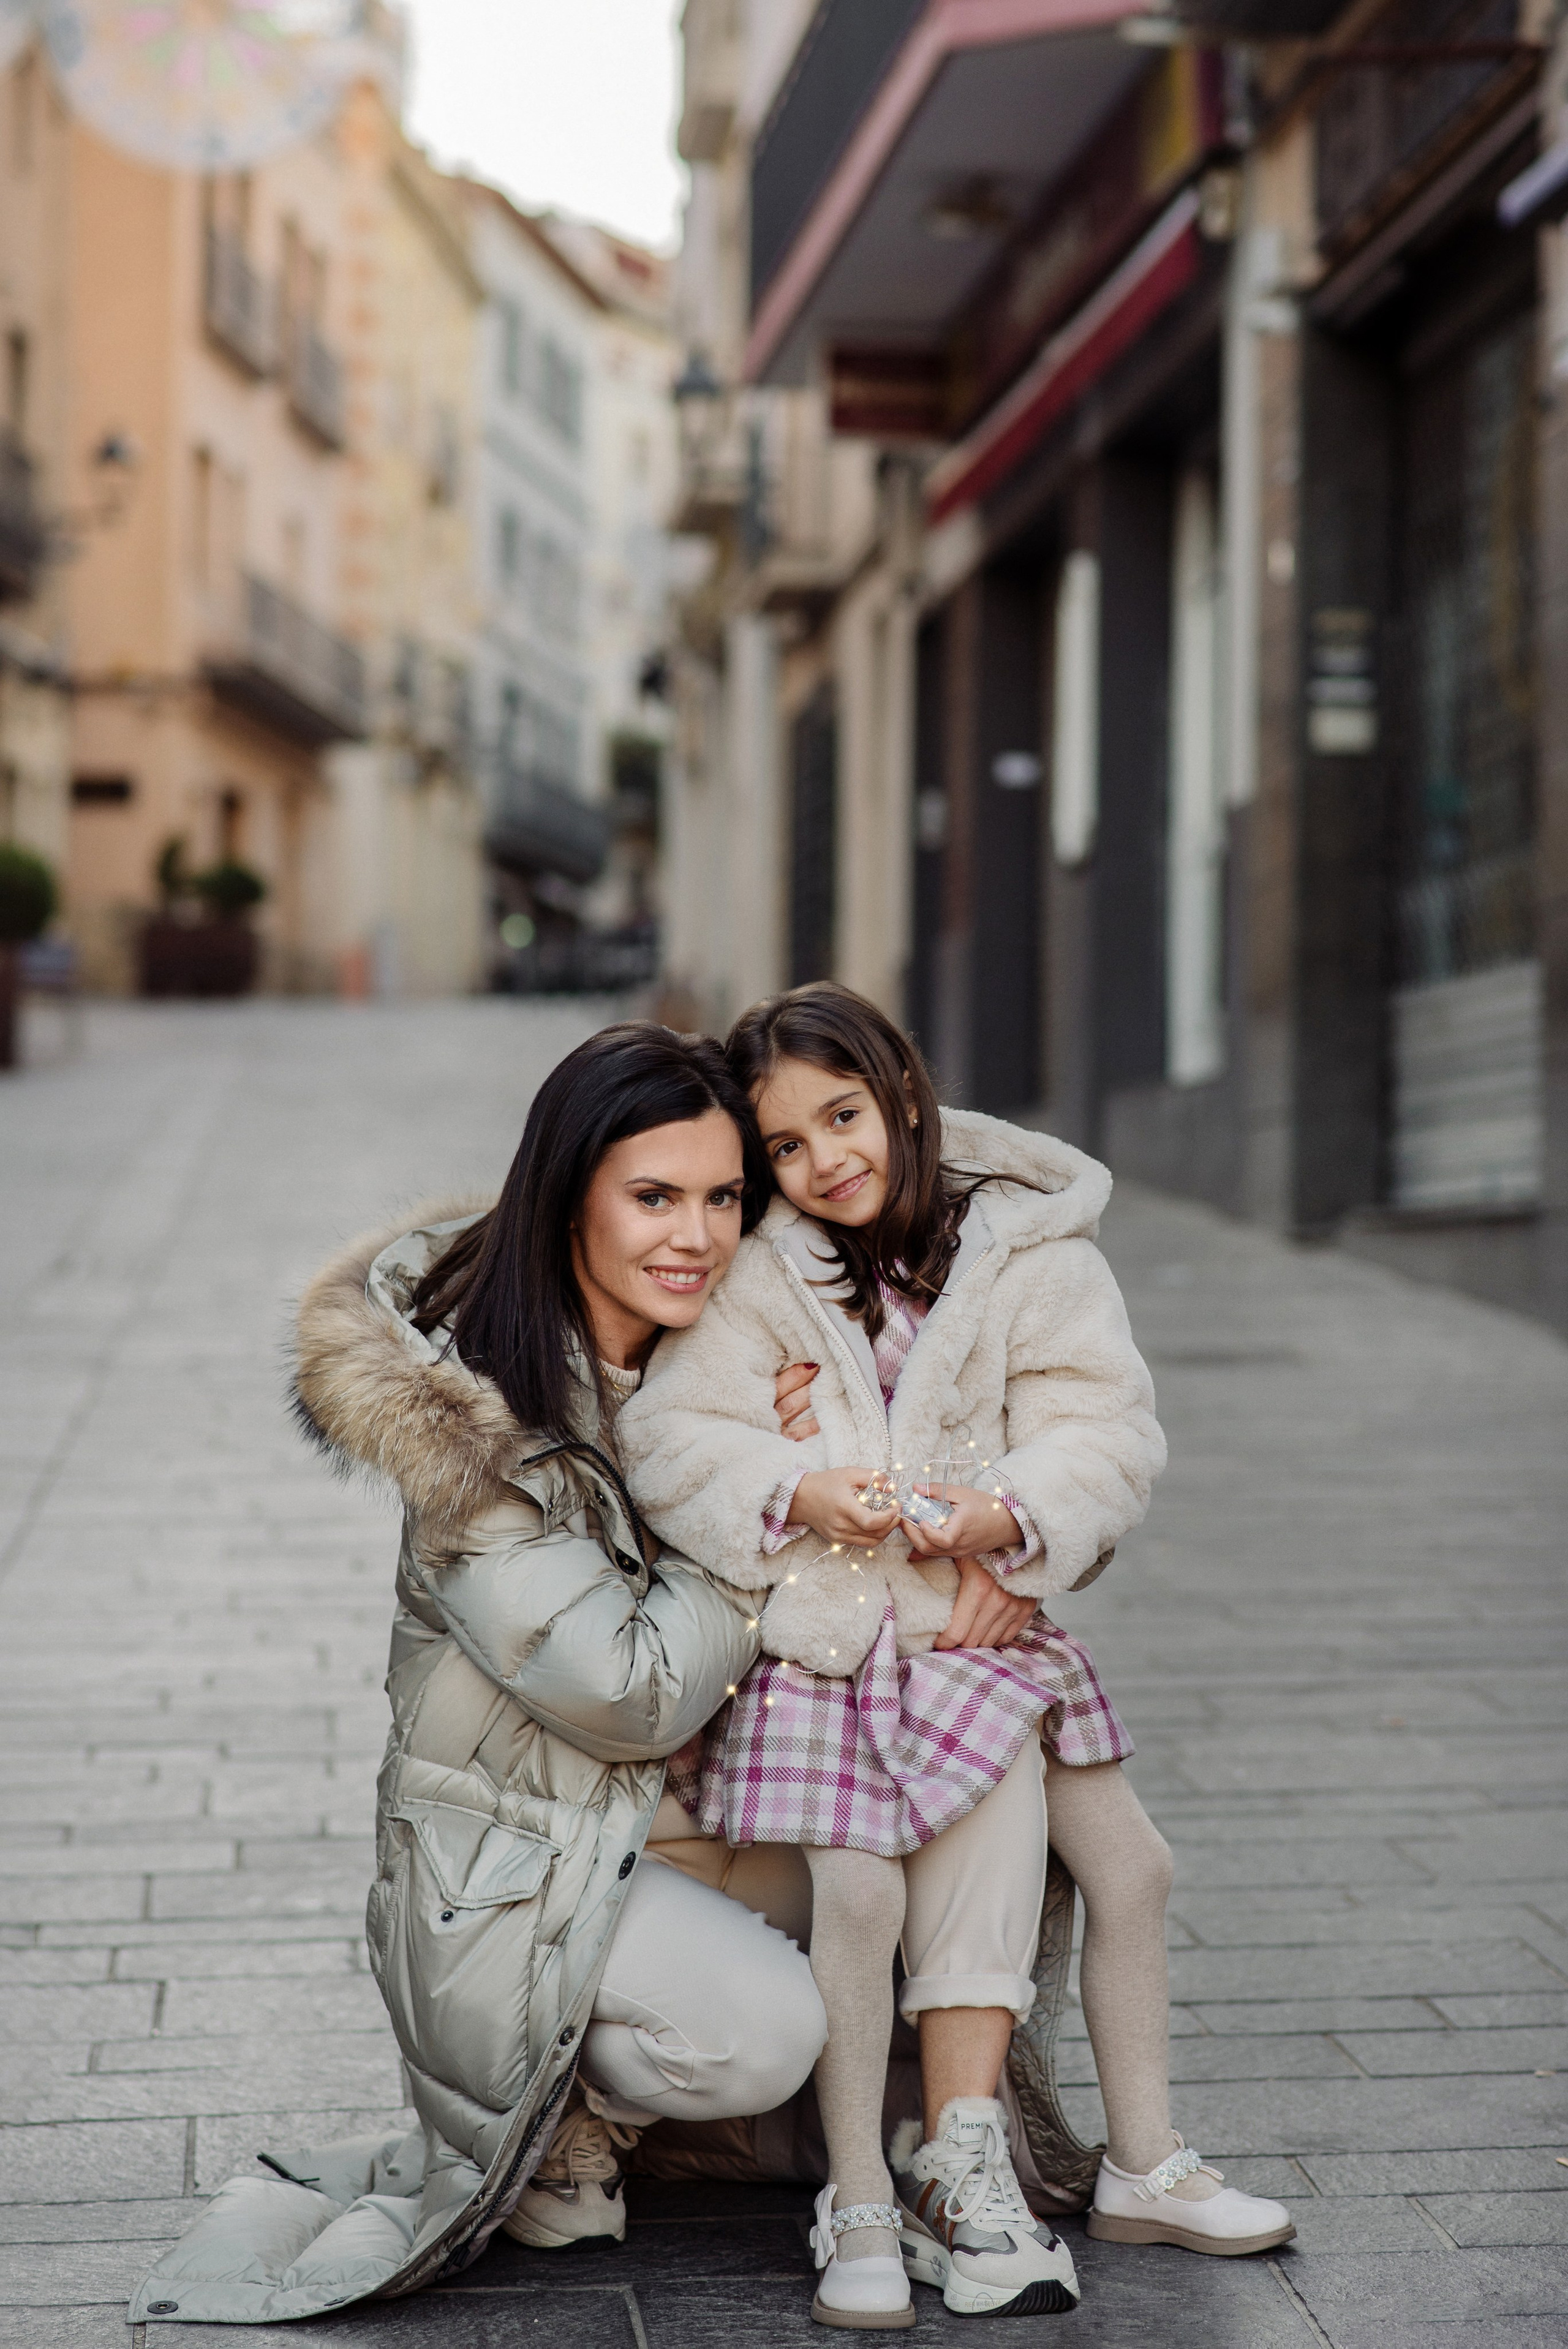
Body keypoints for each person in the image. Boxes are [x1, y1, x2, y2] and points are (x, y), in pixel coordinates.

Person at [617, 983, 1295, 2328]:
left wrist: (1012, 1518)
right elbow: (678, 1440)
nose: (824, 1162)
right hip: (832, 1642)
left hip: (981, 1628)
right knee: (861, 1896)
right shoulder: (765, 1265)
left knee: (1135, 1866)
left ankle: (1140, 2160)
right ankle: (867, 2186)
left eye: (844, 1117)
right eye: (788, 1148)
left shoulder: (1026, 1252)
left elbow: (1099, 1424)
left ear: (905, 1096)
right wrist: (798, 1482)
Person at [131, 1024, 828, 2329]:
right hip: (509, 1884)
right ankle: (566, 2113)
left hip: (657, 1832)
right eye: (654, 1197)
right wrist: (763, 1509)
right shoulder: (475, 1427)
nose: (697, 1233)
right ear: (568, 1201)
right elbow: (633, 1690)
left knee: (903, 1877)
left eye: (724, 1195)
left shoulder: (715, 1350)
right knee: (772, 2031)